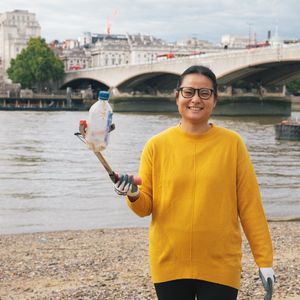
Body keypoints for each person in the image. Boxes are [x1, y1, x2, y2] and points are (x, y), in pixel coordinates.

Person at [114, 65, 275, 300]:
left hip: (221, 264)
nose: (195, 99)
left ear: (215, 99)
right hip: (169, 263)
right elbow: (145, 208)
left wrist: (265, 261)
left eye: (204, 93)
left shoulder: (233, 144)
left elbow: (251, 208)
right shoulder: (156, 145)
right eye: (188, 92)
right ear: (177, 96)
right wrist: (133, 193)